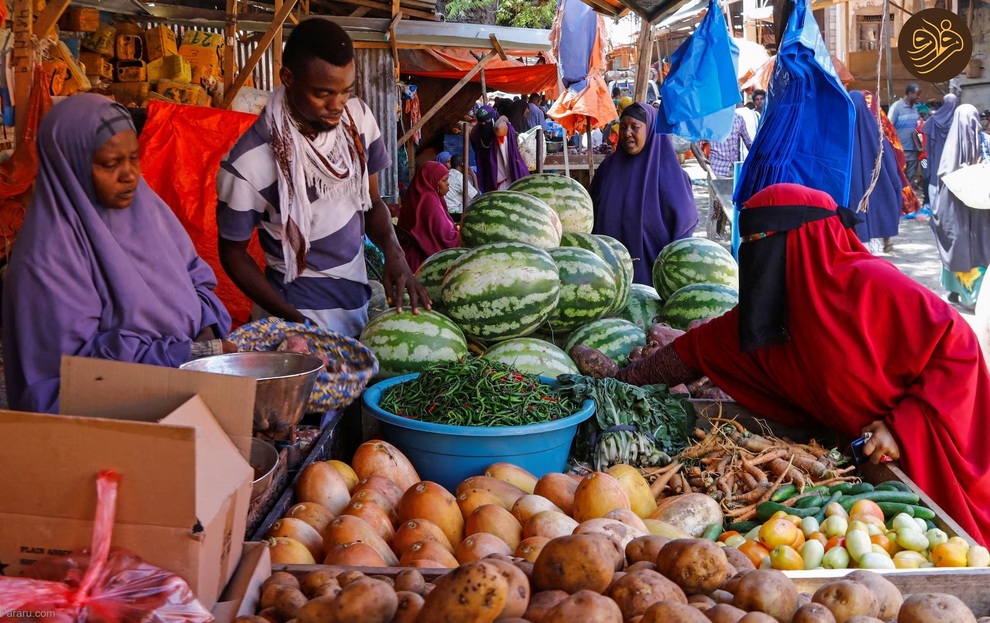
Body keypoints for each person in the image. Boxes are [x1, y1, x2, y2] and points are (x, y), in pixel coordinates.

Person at [573, 182, 990, 546]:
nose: (755, 256)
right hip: (858, 460)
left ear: (806, 240)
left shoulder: (873, 285)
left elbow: (958, 344)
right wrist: (620, 383)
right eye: (749, 244)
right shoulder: (771, 312)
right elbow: (695, 351)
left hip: (923, 449)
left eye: (764, 241)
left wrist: (902, 425)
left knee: (955, 543)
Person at [2, 94, 234, 414]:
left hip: (180, 391)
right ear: (69, 165)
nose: (129, 175)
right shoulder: (46, 259)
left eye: (133, 158)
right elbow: (74, 372)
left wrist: (205, 334)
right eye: (109, 164)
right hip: (98, 421)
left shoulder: (148, 210)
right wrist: (184, 354)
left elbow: (196, 276)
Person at [216, 20, 427, 339]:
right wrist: (294, 321)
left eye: (345, 91)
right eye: (323, 93)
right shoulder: (250, 162)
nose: (337, 106)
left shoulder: (358, 120)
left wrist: (393, 251)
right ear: (288, 78)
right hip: (293, 323)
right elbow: (232, 255)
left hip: (356, 309)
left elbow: (371, 204)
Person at [589, 102, 697, 285]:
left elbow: (685, 224)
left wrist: (672, 267)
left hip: (654, 276)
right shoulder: (608, 168)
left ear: (651, 129)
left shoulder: (671, 174)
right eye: (623, 127)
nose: (627, 133)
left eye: (635, 127)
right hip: (607, 276)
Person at [930, 104, 990, 309]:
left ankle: (958, 292)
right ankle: (978, 296)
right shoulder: (986, 141)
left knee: (959, 245)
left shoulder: (950, 148)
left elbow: (942, 178)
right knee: (982, 246)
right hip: (982, 209)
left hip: (956, 211)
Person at [848, 91, 902, 253]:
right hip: (875, 192)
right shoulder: (878, 135)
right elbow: (891, 167)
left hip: (851, 197)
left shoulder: (840, 134)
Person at [396, 162, 460, 272]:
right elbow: (445, 237)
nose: (447, 184)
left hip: (410, 260)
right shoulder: (429, 200)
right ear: (433, 181)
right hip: (422, 264)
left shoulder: (419, 196)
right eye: (444, 180)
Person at [469, 104, 529, 193]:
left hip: (509, 181)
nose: (484, 124)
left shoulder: (501, 132)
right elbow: (472, 134)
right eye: (481, 123)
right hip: (493, 185)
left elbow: (498, 128)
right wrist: (501, 118)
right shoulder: (479, 135)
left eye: (487, 120)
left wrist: (500, 118)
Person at [922, 94, 959, 205]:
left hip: (936, 154)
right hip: (952, 156)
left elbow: (928, 141)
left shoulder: (933, 119)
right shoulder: (957, 120)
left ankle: (935, 208)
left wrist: (929, 155)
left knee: (935, 177)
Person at [888, 84, 923, 189]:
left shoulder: (915, 108)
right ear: (910, 93)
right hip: (900, 150)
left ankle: (909, 197)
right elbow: (888, 127)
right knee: (899, 178)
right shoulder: (896, 107)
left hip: (913, 150)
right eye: (917, 95)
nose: (918, 97)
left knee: (910, 179)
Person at [709, 104, 753, 178]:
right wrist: (702, 159)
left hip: (734, 169)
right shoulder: (711, 119)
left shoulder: (738, 119)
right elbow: (696, 142)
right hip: (717, 168)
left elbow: (748, 143)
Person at [444, 153, 478, 219]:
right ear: (462, 164)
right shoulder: (460, 177)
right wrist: (474, 175)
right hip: (455, 214)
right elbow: (476, 197)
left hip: (444, 211)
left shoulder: (447, 174)